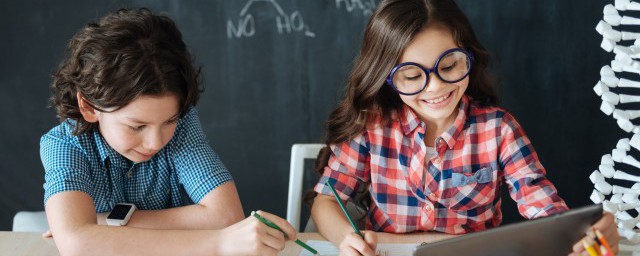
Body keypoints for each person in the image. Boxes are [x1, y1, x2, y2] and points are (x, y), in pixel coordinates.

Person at [309, 0, 619, 255]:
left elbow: (542, 207)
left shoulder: (498, 129)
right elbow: (325, 200)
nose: (435, 87)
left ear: (468, 56)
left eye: (449, 66)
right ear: (387, 78)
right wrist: (346, 238)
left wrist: (583, 232)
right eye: (412, 76)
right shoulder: (372, 125)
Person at [41, 8, 295, 256]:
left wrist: (103, 222)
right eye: (137, 126)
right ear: (88, 107)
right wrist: (218, 243)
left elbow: (227, 216)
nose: (156, 141)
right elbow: (77, 245)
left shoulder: (183, 124)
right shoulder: (64, 144)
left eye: (169, 121)